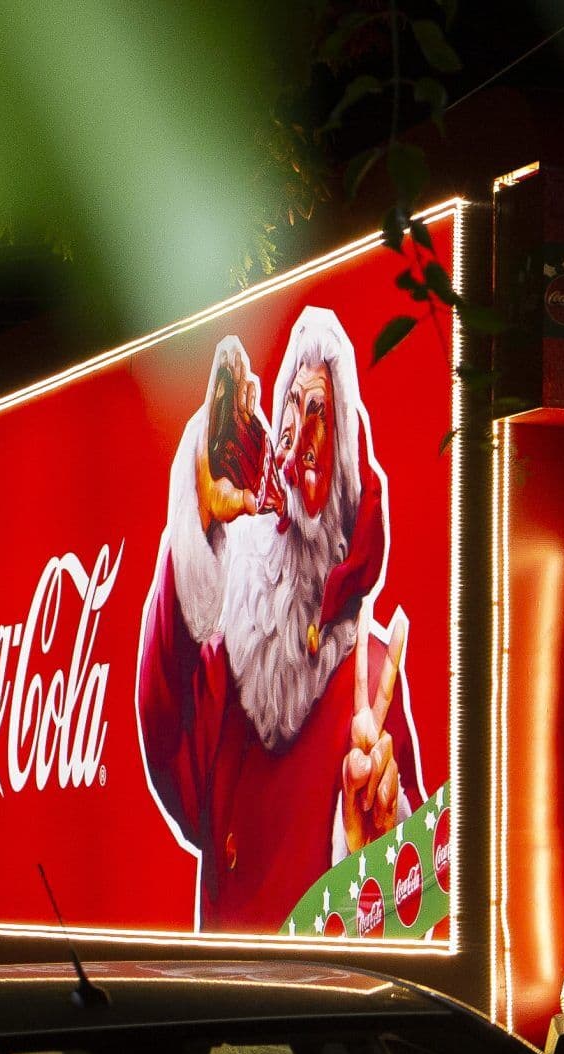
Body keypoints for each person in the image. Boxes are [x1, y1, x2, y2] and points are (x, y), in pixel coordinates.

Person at [137, 310, 425, 930]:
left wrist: (379, 845)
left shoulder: (372, 681)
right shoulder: (235, 644)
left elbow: (424, 899)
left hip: (322, 1002)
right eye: (292, 402)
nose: (297, 436)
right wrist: (198, 528)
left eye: (318, 410)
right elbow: (166, 740)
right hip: (222, 993)